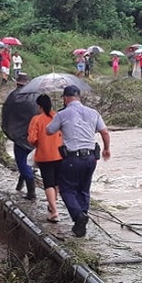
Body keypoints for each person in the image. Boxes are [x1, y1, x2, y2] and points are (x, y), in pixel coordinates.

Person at [46, 85, 111, 238]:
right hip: (91, 158)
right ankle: (82, 217)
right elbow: (105, 132)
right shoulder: (93, 112)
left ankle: (79, 216)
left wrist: (56, 118)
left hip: (72, 158)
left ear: (65, 98)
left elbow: (48, 131)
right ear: (79, 97)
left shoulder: (63, 114)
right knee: (84, 188)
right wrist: (106, 149)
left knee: (67, 189)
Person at [1, 73, 40, 200]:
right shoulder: (37, 96)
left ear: (17, 83)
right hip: (35, 136)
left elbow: (6, 114)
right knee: (29, 161)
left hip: (19, 136)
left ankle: (31, 192)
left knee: (22, 163)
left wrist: (8, 131)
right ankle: (20, 184)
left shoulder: (13, 96)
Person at [28, 94, 63, 223]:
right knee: (56, 182)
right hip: (60, 154)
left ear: (40, 106)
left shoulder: (36, 119)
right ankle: (53, 202)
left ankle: (54, 212)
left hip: (44, 155)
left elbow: (32, 139)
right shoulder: (57, 117)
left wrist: (38, 143)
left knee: (48, 183)